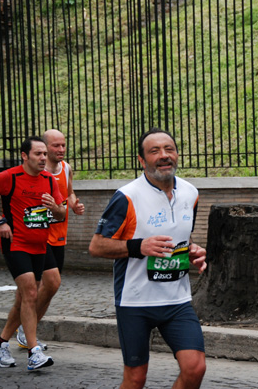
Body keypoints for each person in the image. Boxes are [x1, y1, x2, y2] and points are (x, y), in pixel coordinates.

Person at [89, 128, 207, 389]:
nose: (164, 156)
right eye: (155, 151)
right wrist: (138, 246)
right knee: (136, 378)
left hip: (177, 300)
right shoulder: (127, 197)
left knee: (195, 368)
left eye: (169, 149)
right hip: (136, 302)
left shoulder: (191, 193)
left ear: (177, 154)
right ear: (142, 161)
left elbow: (181, 240)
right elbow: (97, 246)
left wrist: (193, 252)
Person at [0, 136, 66, 371]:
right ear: (25, 156)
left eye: (45, 154)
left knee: (28, 296)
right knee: (30, 293)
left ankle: (0, 343)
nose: (43, 158)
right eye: (38, 154)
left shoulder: (48, 179)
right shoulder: (10, 177)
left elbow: (61, 215)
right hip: (16, 244)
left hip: (40, 244)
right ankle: (34, 352)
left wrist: (55, 208)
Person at [15, 129, 85, 350]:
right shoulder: (35, 172)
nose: (61, 150)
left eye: (63, 145)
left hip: (59, 237)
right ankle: (25, 331)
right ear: (44, 148)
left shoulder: (66, 169)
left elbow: (69, 193)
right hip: (38, 237)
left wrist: (74, 204)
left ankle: (27, 329)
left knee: (49, 288)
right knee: (34, 287)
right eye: (56, 146)